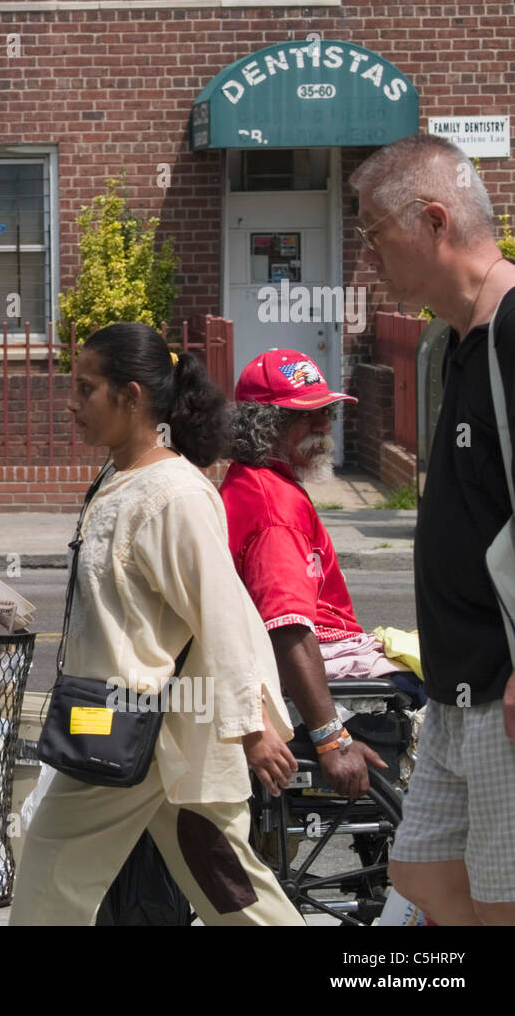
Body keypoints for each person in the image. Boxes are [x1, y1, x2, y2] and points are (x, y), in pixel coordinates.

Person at [10, 323, 304, 926]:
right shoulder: (123, 479)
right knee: (231, 891)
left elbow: (223, 613)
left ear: (133, 396)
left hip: (141, 724)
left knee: (52, 876)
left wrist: (251, 725)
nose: (72, 404)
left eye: (86, 389)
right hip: (133, 730)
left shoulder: (173, 494)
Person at [350, 133, 515, 926]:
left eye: (375, 235)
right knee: (420, 869)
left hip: (502, 683)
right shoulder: (453, 341)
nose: (369, 257)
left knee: (499, 896)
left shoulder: (512, 329)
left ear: (436, 220)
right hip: (459, 690)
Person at [220, 349, 418, 800]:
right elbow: (287, 629)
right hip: (321, 674)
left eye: (326, 413)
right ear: (264, 425)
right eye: (307, 417)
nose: (326, 426)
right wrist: (332, 739)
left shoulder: (254, 481)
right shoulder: (275, 509)